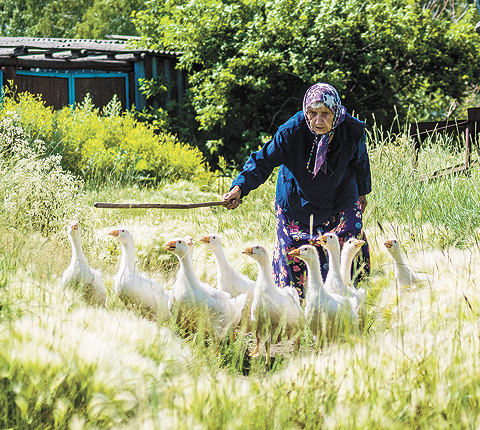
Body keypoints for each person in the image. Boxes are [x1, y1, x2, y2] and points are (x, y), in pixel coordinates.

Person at [222, 83, 371, 298]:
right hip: (297, 199)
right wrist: (240, 187)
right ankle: (296, 302)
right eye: (312, 113)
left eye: (325, 114)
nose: (318, 121)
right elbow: (263, 160)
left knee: (350, 237)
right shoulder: (291, 131)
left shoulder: (351, 129)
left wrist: (362, 193)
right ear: (305, 111)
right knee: (293, 250)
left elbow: (360, 163)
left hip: (340, 194)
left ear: (336, 112)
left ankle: (348, 297)